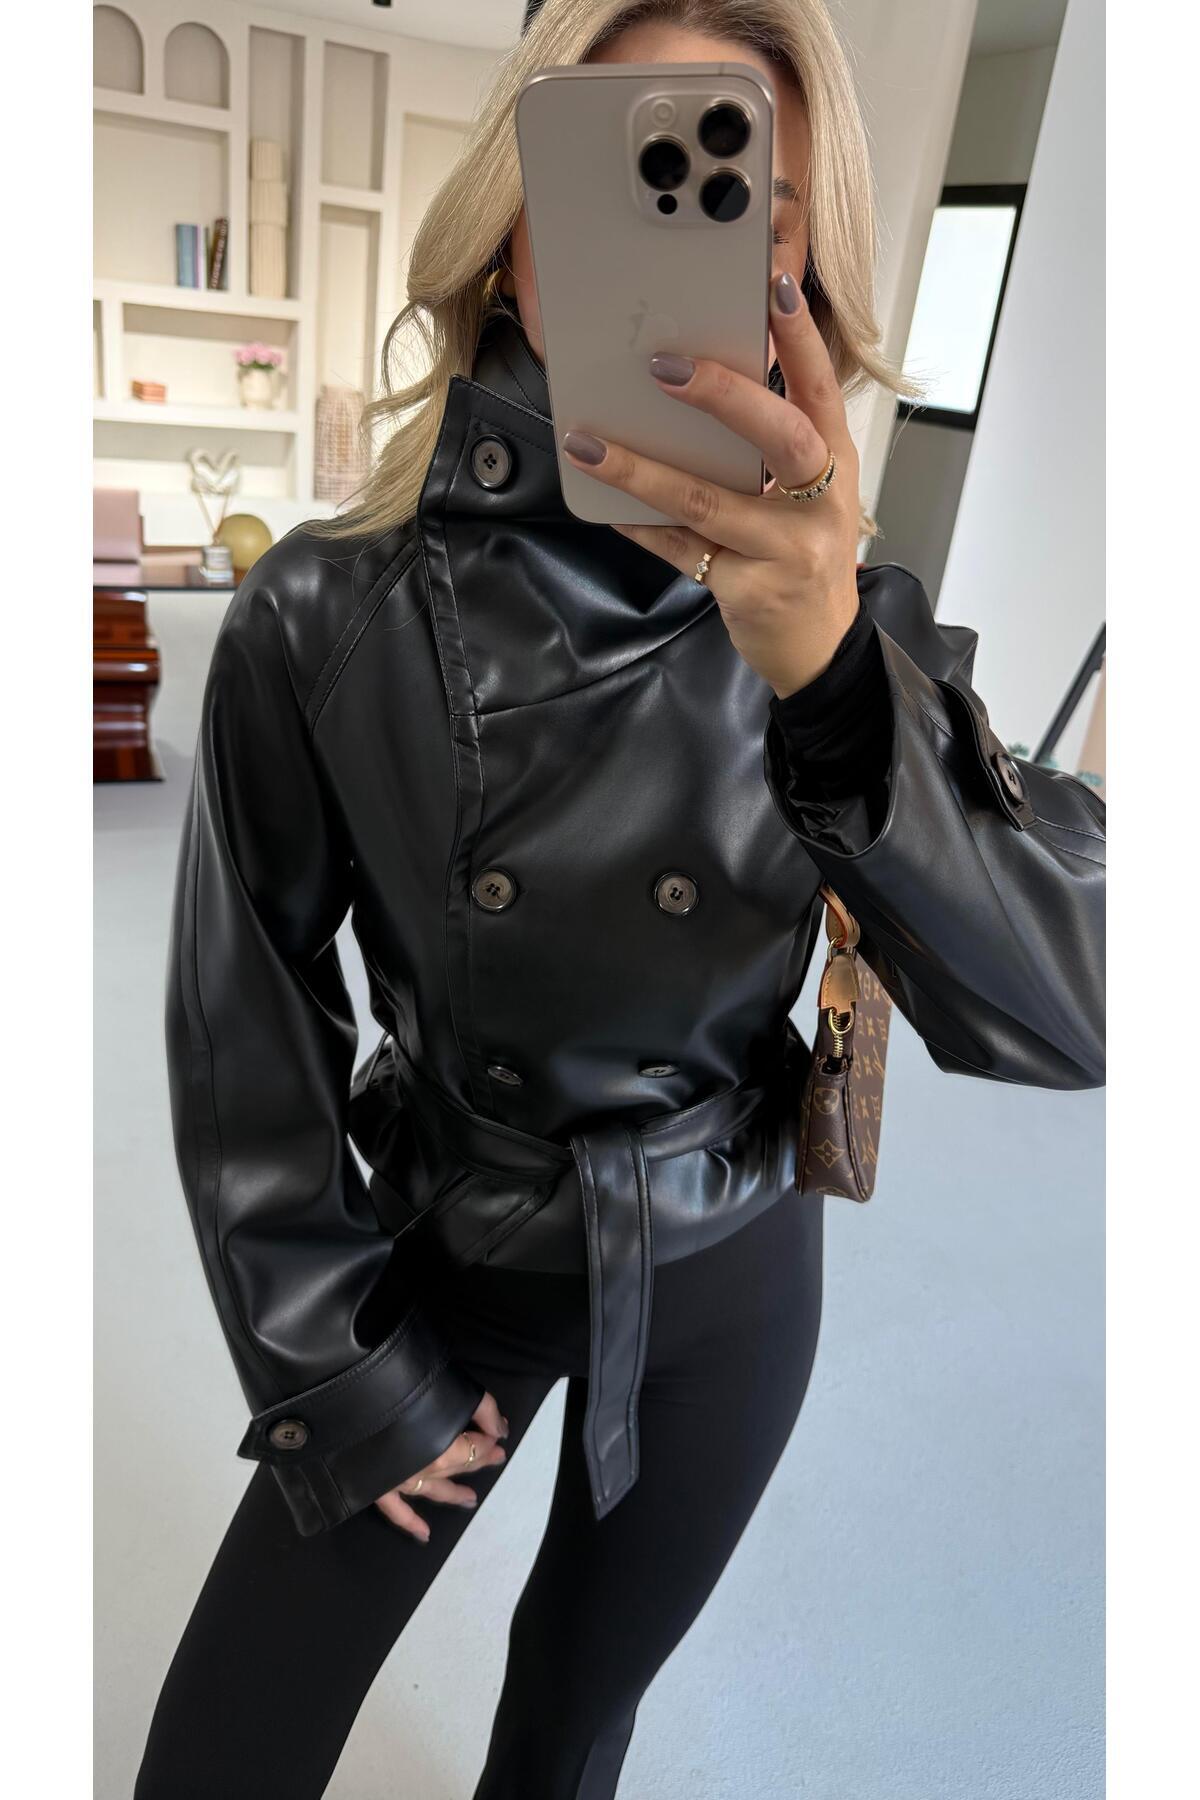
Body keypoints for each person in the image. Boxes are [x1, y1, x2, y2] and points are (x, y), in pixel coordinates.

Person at [133, 2, 1105, 1795]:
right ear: (516, 218)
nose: (682, 252)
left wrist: (833, 678)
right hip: (451, 1249)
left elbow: (1071, 1007)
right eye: (624, 179)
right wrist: (336, 1367)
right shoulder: (326, 611)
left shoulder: (857, 627)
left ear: (808, 279)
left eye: (747, 215)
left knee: (571, 1737)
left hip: (731, 1259)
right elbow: (244, 1019)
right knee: (219, 1756)